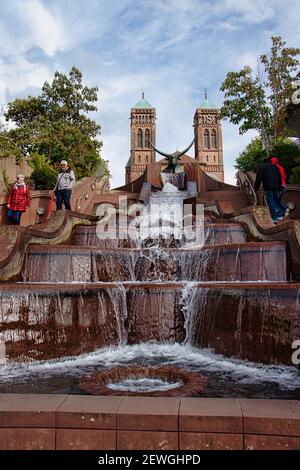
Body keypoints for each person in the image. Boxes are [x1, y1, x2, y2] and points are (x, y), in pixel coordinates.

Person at [254, 157, 282, 223]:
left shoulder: (262, 167)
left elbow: (259, 178)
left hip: (268, 186)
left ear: (264, 162)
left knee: (270, 201)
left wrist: (256, 188)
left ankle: (274, 217)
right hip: (276, 187)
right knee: (276, 200)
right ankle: (279, 215)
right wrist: (280, 187)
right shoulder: (276, 167)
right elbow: (279, 177)